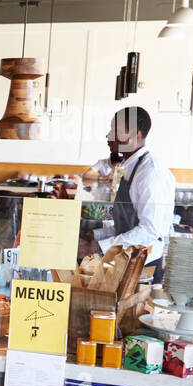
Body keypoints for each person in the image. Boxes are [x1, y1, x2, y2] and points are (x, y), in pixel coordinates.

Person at [79, 106, 174, 278]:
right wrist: (94, 235)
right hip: (127, 259)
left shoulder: (150, 172)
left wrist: (96, 247)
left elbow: (148, 231)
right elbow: (128, 225)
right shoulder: (129, 167)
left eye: (115, 130)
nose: (109, 135)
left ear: (135, 134)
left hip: (145, 266)